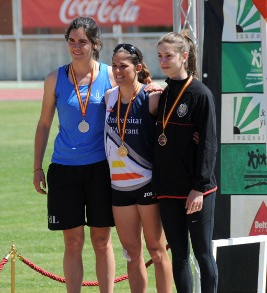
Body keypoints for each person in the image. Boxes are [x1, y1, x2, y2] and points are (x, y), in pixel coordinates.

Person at [33, 17, 116, 293]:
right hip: (64, 169)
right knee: (73, 241)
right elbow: (44, 123)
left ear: (95, 44)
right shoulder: (54, 78)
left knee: (102, 240)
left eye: (83, 41)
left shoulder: (110, 75)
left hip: (101, 168)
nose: (76, 47)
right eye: (72, 41)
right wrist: (37, 168)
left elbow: (135, 100)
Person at [104, 43, 173, 293]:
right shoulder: (109, 97)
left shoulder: (152, 97)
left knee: (156, 250)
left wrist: (162, 86)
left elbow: (185, 98)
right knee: (132, 253)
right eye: (114, 65)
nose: (118, 70)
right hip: (119, 187)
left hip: (147, 183)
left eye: (124, 65)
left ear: (138, 68)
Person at [152, 31, 218, 293]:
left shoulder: (200, 93)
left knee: (203, 255)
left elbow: (209, 144)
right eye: (160, 56)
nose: (164, 61)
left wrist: (199, 187)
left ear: (184, 56)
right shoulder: (164, 93)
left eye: (169, 55)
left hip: (195, 190)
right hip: (168, 189)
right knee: (178, 256)